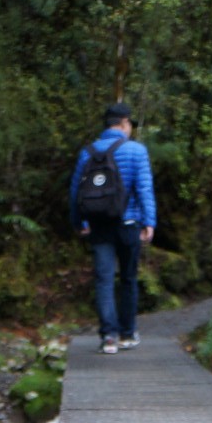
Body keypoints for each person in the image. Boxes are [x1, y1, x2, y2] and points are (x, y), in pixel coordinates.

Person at [70, 101, 156, 354]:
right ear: (124, 124)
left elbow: (76, 192)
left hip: (98, 224)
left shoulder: (88, 152)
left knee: (104, 279)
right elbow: (144, 189)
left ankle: (108, 336)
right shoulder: (136, 151)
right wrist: (149, 221)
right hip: (128, 223)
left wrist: (79, 222)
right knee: (128, 278)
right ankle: (128, 334)